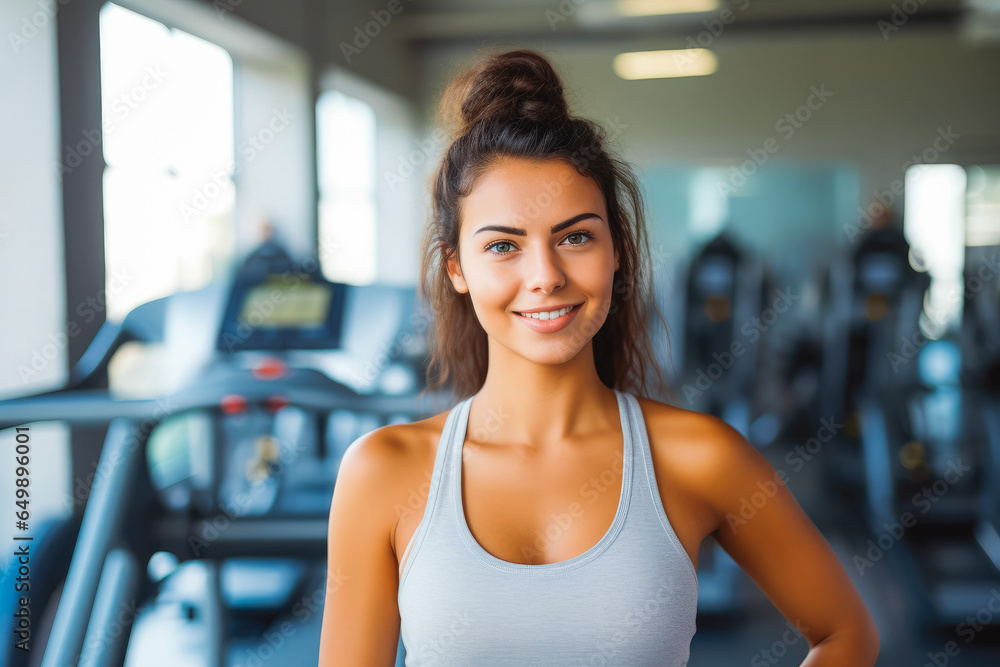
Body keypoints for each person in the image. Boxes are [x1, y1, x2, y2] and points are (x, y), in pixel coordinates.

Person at [318, 47, 879, 666]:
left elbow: (845, 633)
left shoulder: (701, 459)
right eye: (503, 246)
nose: (545, 276)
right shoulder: (382, 474)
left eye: (576, 237)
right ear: (457, 268)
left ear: (615, 252)